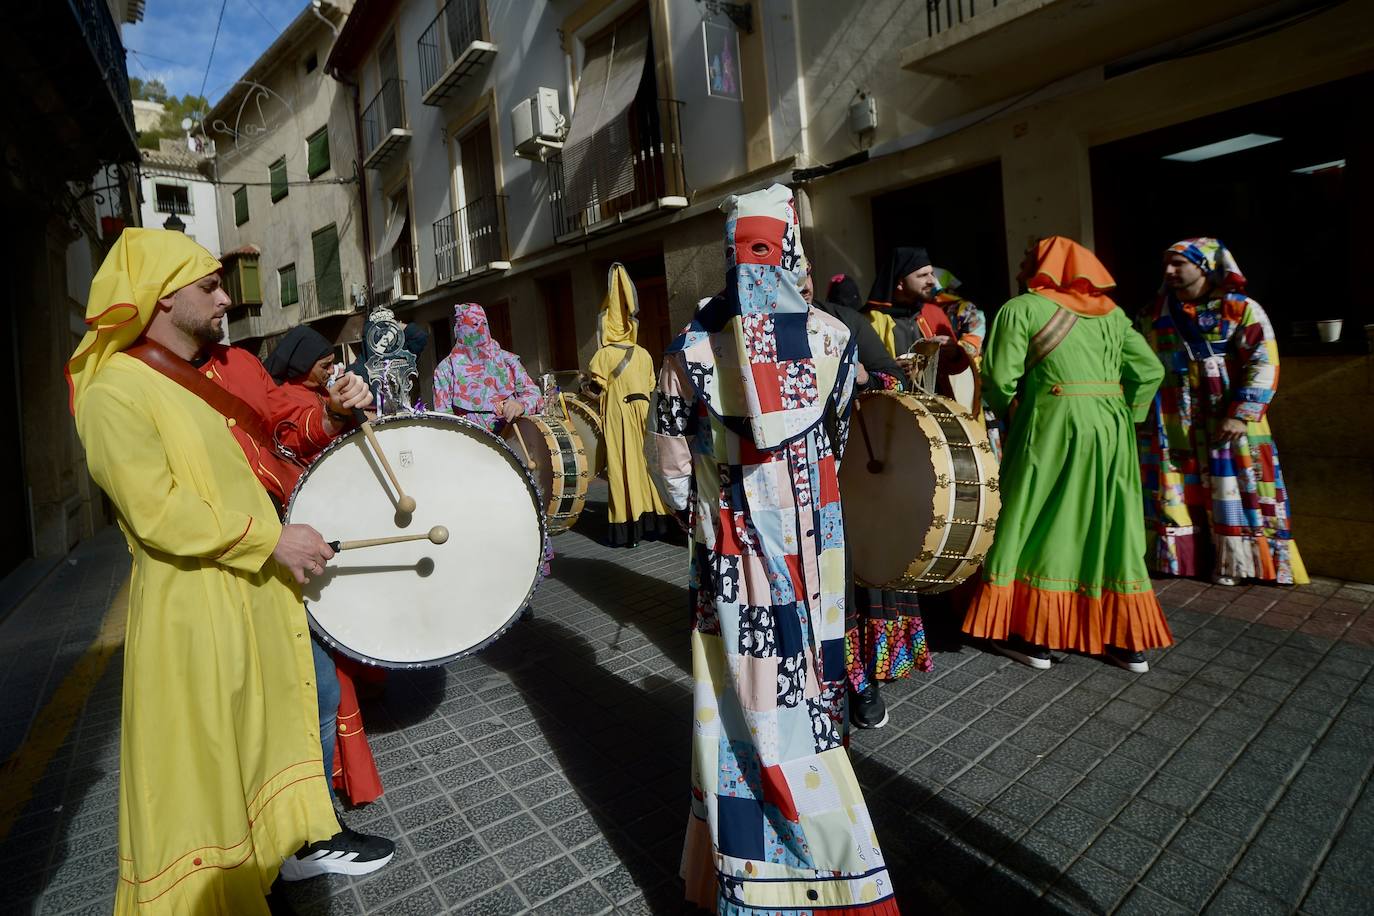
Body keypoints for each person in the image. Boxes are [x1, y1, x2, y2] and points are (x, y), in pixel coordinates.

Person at [66, 230, 391, 914]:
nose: (225, 296)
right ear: (160, 299)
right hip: (194, 609)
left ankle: (276, 861)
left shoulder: (209, 373)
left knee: (262, 736)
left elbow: (276, 423)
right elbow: (159, 511)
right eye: (209, 285)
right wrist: (271, 541)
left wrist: (331, 412)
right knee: (208, 762)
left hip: (249, 594)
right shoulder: (113, 394)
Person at [648, 185, 898, 913]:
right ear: (792, 249)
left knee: (733, 696)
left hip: (727, 551)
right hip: (813, 545)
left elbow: (667, 462)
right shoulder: (833, 337)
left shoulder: (690, 348)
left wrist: (701, 505)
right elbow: (839, 436)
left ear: (729, 255)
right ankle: (825, 850)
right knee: (807, 689)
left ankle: (746, 859)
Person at [962, 237, 1173, 673]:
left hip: (1053, 422)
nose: (1022, 266)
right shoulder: (1111, 314)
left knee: (1037, 519)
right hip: (1112, 426)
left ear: (1044, 267)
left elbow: (1001, 378)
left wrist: (1012, 414)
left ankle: (1030, 634)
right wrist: (1126, 414)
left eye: (1027, 259)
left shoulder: (1021, 309)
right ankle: (1122, 640)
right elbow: (1151, 370)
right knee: (1110, 524)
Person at [263, 324, 386, 807]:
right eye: (321, 359)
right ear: (299, 362)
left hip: (324, 527)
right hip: (298, 539)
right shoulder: (282, 396)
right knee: (324, 683)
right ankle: (316, 799)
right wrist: (335, 412)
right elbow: (299, 433)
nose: (328, 365)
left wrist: (359, 408)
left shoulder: (317, 390)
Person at [1138, 238, 1308, 587]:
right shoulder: (1154, 313)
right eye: (1166, 264)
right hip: (1172, 417)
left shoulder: (1241, 308)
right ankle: (1183, 560)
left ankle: (1236, 562)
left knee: (1234, 484)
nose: (1169, 271)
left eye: (1178, 263)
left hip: (1225, 414)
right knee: (1177, 487)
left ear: (1205, 266)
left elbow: (1265, 359)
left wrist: (1242, 412)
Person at [586, 264, 675, 547]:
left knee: (623, 465)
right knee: (650, 465)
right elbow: (651, 386)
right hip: (645, 415)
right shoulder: (644, 354)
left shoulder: (603, 356)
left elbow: (596, 389)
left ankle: (629, 527)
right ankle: (658, 521)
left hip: (619, 417)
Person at [864, 246, 971, 397]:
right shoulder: (870, 320)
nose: (933, 281)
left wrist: (954, 353)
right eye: (923, 275)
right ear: (900, 282)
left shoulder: (934, 313)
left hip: (934, 407)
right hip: (890, 410)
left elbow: (956, 368)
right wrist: (890, 370)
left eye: (932, 274)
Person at [432, 303, 543, 432]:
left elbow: (534, 394)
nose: (480, 330)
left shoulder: (507, 361)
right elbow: (444, 421)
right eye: (474, 325)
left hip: (513, 439)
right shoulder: (445, 371)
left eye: (483, 324)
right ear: (460, 329)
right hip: (470, 445)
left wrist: (521, 405)